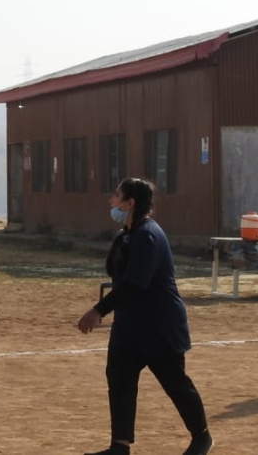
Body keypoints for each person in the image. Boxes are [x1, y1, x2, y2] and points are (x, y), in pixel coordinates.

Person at [76, 178, 212, 455]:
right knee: (120, 380)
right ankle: (120, 446)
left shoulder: (148, 236)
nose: (111, 201)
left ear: (131, 203)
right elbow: (116, 273)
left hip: (159, 325)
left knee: (176, 383)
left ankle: (202, 437)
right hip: (129, 327)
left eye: (117, 196)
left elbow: (135, 283)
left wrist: (98, 310)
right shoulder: (126, 235)